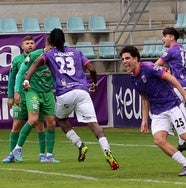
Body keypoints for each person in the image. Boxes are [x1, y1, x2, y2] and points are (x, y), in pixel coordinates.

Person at [119, 45, 186, 176]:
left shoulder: (148, 67)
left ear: (135, 59)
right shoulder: (134, 78)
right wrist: (144, 120)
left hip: (172, 105)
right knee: (159, 140)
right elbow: (144, 99)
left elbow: (170, 77)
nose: (125, 62)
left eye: (127, 58)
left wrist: (184, 94)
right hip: (158, 112)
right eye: (123, 59)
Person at [23, 28, 119, 170]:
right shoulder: (76, 52)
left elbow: (35, 64)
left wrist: (27, 80)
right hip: (82, 91)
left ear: (50, 41)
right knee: (94, 125)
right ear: (64, 39)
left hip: (65, 93)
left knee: (60, 120)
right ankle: (107, 151)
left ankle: (80, 144)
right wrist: (95, 84)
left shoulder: (49, 55)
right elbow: (92, 69)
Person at [12, 35, 59, 163]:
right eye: (53, 47)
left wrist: (58, 90)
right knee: (33, 118)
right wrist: (16, 91)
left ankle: (49, 155)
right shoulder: (34, 56)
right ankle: (17, 148)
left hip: (47, 92)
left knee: (51, 122)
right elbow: (20, 73)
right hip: (32, 91)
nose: (55, 49)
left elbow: (56, 76)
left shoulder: (55, 57)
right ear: (47, 45)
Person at [2, 36, 45, 163]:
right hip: (20, 97)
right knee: (16, 125)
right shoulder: (17, 60)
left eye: (32, 43)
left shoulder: (40, 59)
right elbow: (12, 79)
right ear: (22, 46)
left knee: (39, 125)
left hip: (35, 95)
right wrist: (11, 95)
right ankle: (12, 154)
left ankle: (43, 155)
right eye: (27, 43)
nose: (30, 45)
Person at [155, 27, 186, 152]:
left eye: (165, 36)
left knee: (177, 112)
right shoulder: (182, 49)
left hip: (180, 85)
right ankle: (182, 142)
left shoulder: (171, 50)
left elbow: (156, 65)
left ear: (172, 37)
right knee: (180, 111)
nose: (163, 39)